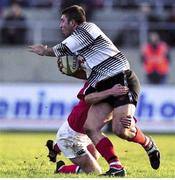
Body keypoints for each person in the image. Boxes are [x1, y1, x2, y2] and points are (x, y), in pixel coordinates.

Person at [28, 5, 160, 176]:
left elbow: (61, 49)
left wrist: (45, 51)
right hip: (103, 85)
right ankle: (116, 167)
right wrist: (74, 73)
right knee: (90, 127)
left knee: (122, 130)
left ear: (74, 23)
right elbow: (89, 76)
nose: (60, 25)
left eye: (63, 21)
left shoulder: (87, 29)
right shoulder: (81, 50)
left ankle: (148, 144)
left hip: (121, 77)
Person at [46, 78, 129, 174]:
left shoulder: (122, 85)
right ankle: (61, 169)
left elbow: (125, 108)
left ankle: (55, 147)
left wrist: (130, 119)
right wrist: (111, 92)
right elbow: (88, 98)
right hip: (71, 137)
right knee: (95, 172)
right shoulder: (96, 80)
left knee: (95, 156)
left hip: (87, 133)